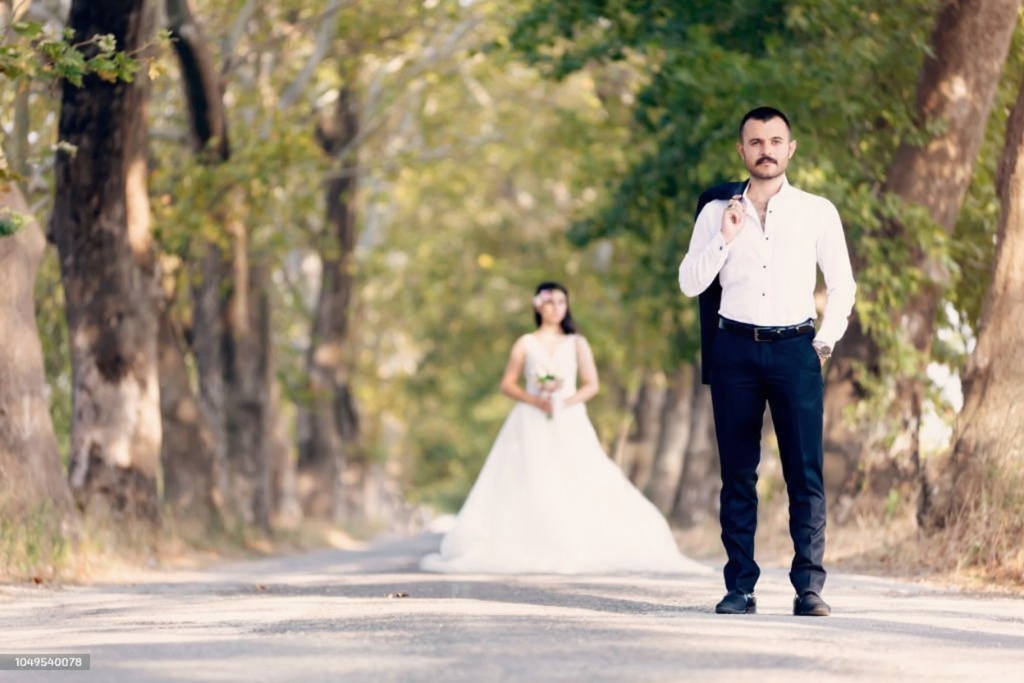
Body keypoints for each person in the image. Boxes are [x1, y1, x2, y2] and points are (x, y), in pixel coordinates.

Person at [678, 106, 856, 616]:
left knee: (805, 473)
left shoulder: (817, 211)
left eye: (776, 140)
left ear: (790, 148)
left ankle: (809, 587)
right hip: (733, 349)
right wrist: (724, 237)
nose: (766, 150)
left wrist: (824, 343)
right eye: (756, 142)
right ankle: (740, 587)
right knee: (737, 474)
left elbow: (842, 284)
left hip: (796, 349)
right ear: (742, 151)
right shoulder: (717, 212)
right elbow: (690, 282)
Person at [421, 281, 707, 575]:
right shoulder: (525, 343)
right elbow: (507, 384)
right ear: (537, 305)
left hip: (569, 417)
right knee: (529, 474)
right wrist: (536, 399)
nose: (556, 308)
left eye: (561, 302)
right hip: (530, 418)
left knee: (577, 473)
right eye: (549, 302)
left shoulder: (576, 343)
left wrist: (564, 402)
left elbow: (591, 385)